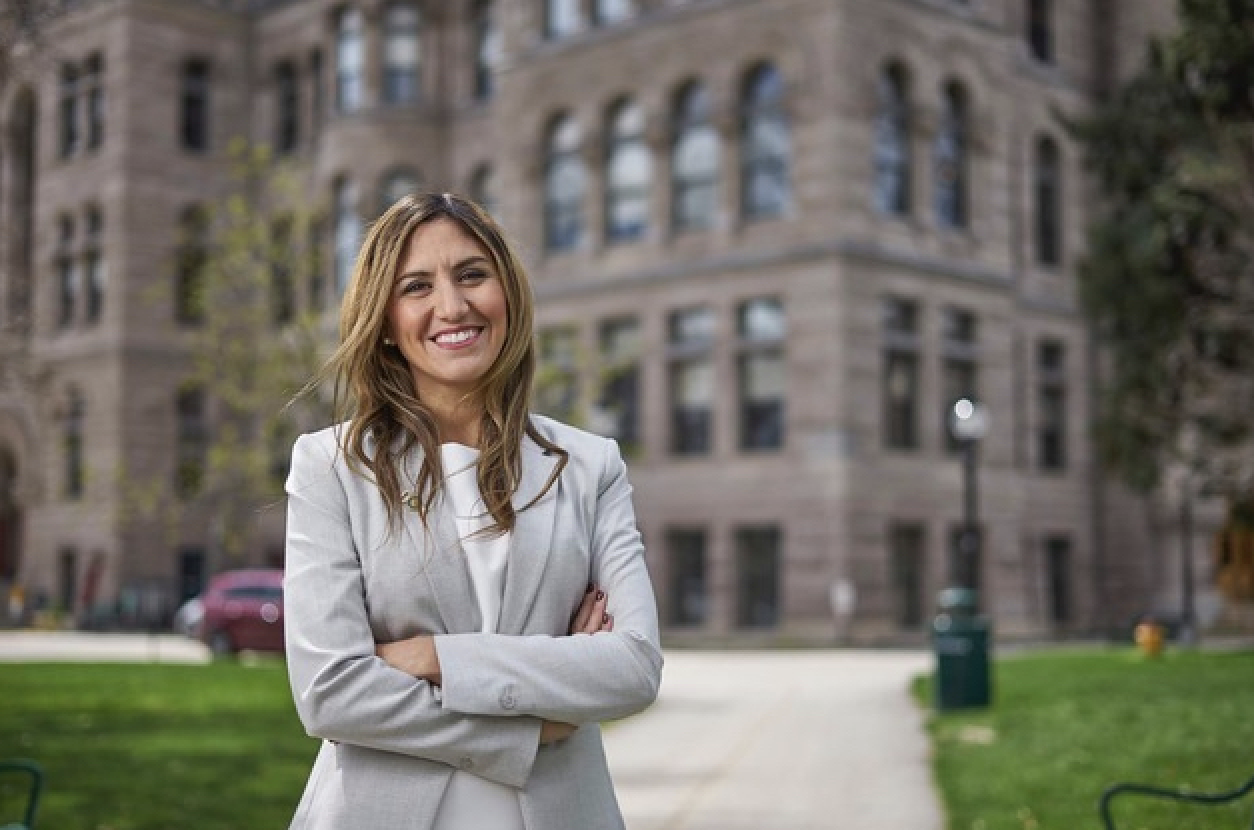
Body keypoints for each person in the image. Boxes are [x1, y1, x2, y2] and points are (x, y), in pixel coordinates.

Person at [283, 192, 663, 830]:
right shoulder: (332, 466)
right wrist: (532, 727)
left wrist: (432, 656)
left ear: (508, 294)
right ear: (383, 320)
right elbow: (331, 693)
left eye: (471, 274)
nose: (452, 306)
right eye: (416, 286)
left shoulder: (590, 465)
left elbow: (632, 668)